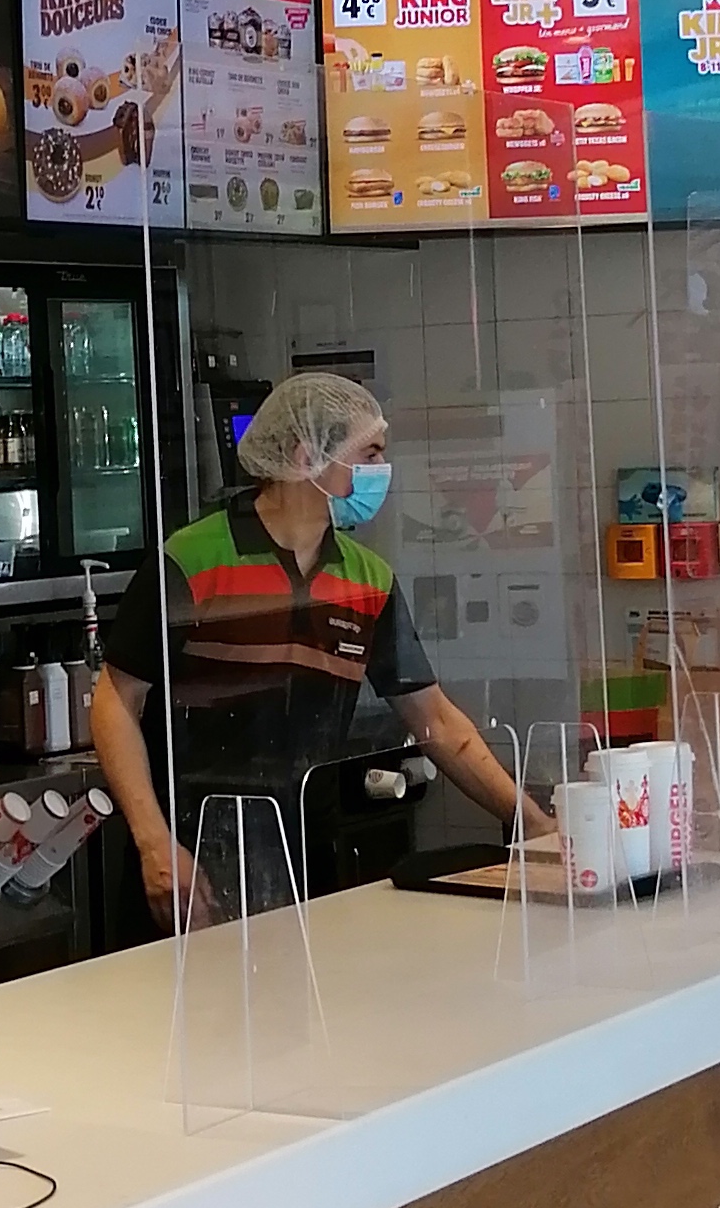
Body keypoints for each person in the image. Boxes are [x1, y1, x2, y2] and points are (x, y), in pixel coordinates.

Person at [89, 368, 544, 923]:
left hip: (309, 857)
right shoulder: (192, 560)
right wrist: (153, 842)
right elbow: (116, 699)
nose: (382, 471)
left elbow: (437, 721)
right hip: (192, 860)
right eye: (369, 454)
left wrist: (532, 822)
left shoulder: (366, 580)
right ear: (307, 456)